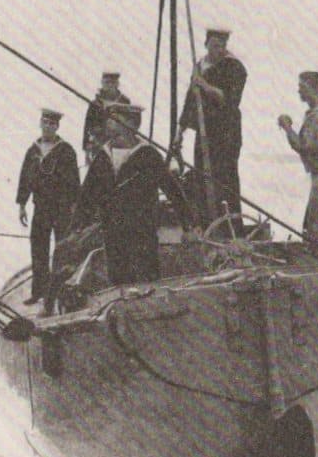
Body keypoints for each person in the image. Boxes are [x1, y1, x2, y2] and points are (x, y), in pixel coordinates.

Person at [71, 102, 195, 285]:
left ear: (132, 125)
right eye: (109, 120)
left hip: (141, 229)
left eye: (116, 120)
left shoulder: (148, 155)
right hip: (112, 229)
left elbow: (172, 190)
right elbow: (88, 193)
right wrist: (77, 225)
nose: (109, 125)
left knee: (146, 276)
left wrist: (188, 225)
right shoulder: (103, 156)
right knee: (118, 277)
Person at [174, 26, 247, 228]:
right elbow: (190, 100)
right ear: (206, 44)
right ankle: (207, 223)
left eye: (222, 45)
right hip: (204, 131)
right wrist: (180, 131)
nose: (219, 49)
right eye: (215, 45)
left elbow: (230, 99)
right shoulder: (200, 66)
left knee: (225, 177)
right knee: (202, 176)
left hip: (226, 132)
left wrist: (204, 86)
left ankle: (229, 225)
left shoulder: (234, 68)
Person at [16, 109, 81, 304]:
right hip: (41, 208)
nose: (48, 127)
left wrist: (74, 206)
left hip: (61, 208)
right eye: (45, 122)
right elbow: (25, 178)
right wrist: (22, 204)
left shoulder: (66, 150)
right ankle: (39, 292)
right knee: (39, 249)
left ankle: (62, 291)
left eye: (52, 124)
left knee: (63, 249)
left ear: (57, 126)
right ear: (40, 123)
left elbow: (74, 182)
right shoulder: (33, 151)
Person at [277, 71, 318, 246]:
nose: (299, 91)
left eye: (302, 87)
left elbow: (305, 146)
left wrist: (287, 128)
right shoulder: (317, 112)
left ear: (313, 88)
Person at [82, 71, 131, 160]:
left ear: (117, 84)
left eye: (112, 82)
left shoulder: (125, 102)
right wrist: (86, 148)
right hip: (99, 143)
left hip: (119, 145)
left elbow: (130, 125)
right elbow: (88, 125)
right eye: (107, 82)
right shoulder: (95, 104)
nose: (110, 85)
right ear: (102, 83)